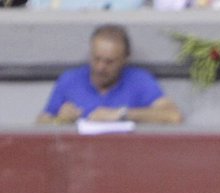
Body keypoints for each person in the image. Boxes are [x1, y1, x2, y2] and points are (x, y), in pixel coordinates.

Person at [37, 24, 183, 126]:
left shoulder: (139, 80)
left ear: (125, 59)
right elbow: (40, 123)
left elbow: (173, 116)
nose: (100, 67)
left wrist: (122, 115)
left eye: (109, 62)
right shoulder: (70, 80)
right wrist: (60, 120)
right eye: (96, 59)